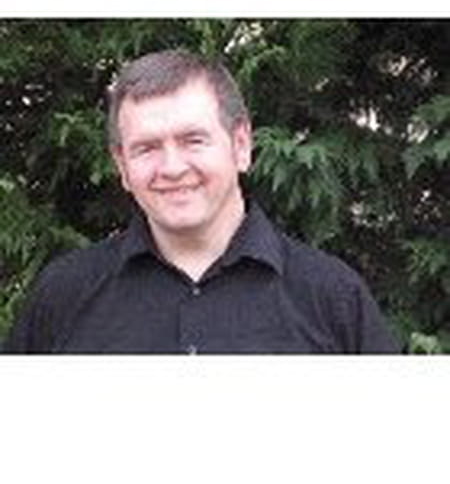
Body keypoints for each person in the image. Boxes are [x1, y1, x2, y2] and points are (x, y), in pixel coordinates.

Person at [3, 50, 400, 353]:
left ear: (240, 145)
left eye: (193, 140)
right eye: (147, 148)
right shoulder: (63, 296)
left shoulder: (334, 299)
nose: (172, 168)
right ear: (122, 166)